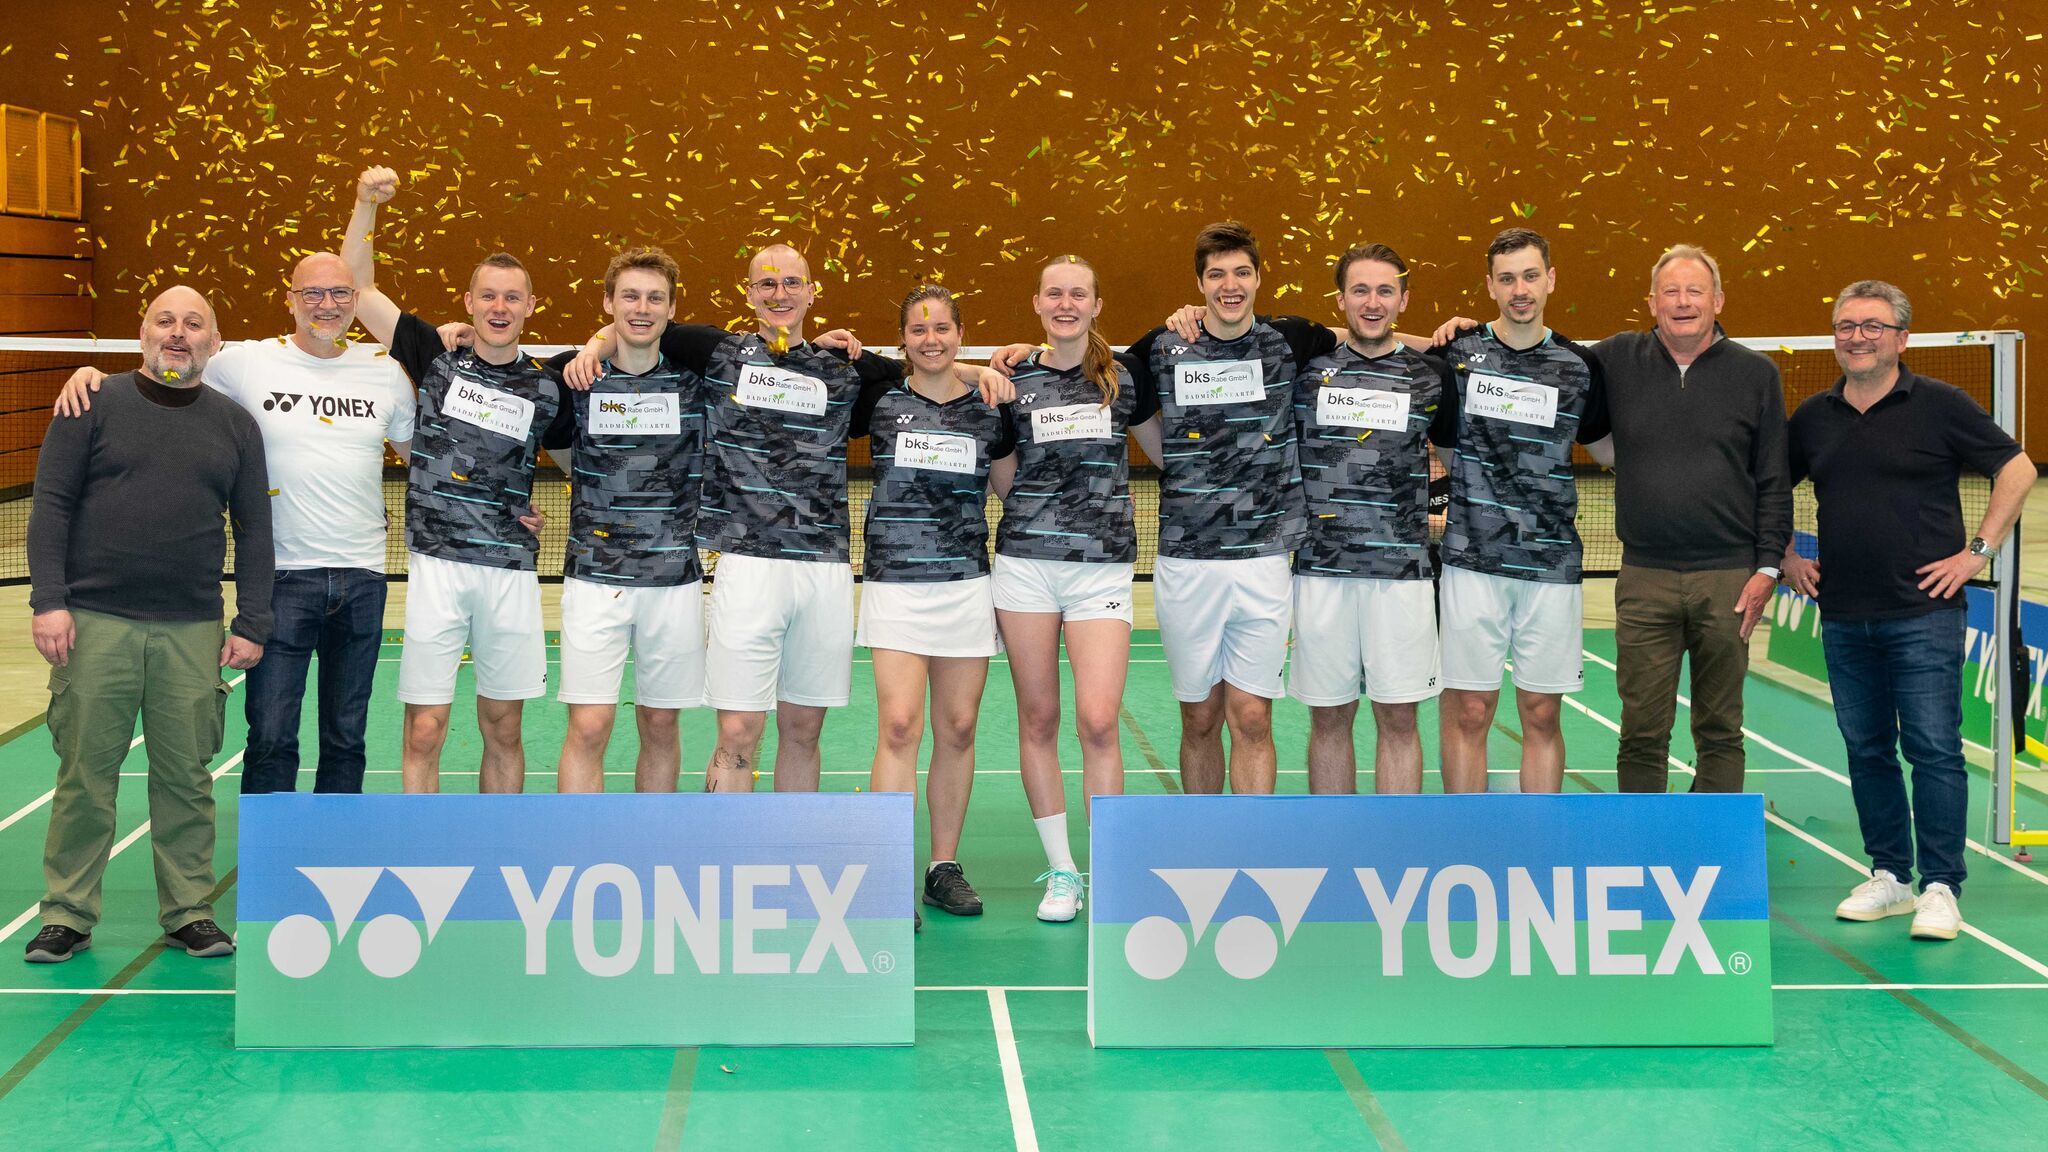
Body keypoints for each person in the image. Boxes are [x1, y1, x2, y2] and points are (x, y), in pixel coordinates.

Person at [564, 245, 1007, 794]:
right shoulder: (716, 352)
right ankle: (731, 842)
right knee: (738, 731)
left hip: (823, 568)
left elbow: (925, 365)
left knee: (803, 730)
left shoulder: (845, 370)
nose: (780, 294)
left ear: (811, 292)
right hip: (747, 566)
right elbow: (636, 327)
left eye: (792, 283)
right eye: (767, 285)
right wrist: (593, 345)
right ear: (749, 293)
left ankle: (788, 842)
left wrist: (977, 370)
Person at [51, 248, 415, 796]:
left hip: (363, 577)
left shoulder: (384, 372)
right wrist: (95, 377)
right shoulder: (244, 362)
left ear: (356, 301)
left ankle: (334, 839)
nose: (327, 304)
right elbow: (168, 376)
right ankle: (269, 840)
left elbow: (427, 464)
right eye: (312, 293)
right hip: (280, 579)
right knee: (271, 735)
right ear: (290, 300)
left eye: (340, 292)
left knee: (347, 735)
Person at [24, 286, 271, 963]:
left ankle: (190, 911)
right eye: (165, 320)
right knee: (85, 777)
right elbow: (51, 506)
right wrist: (49, 601)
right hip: (93, 623)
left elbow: (255, 530)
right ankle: (67, 914)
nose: (178, 332)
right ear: (142, 334)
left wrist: (253, 619)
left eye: (194, 323)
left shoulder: (235, 424)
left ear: (214, 343)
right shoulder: (91, 403)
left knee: (186, 779)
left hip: (192, 628)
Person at [1783, 280, 2034, 942]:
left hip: (1925, 613)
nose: (1857, 338)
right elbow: (1767, 486)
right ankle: (1890, 875)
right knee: (1867, 748)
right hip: (1843, 613)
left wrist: (1976, 553)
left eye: (1872, 326)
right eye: (1846, 326)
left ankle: (1942, 887)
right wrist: (1784, 555)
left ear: (1901, 337)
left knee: (1933, 748)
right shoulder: (1813, 416)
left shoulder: (1941, 405)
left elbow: (2017, 469)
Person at [344, 166, 569, 794]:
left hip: (509, 569)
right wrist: (365, 205)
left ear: (530, 306)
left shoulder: (549, 388)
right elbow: (359, 289)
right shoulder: (436, 356)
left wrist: (550, 514)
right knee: (424, 729)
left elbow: (585, 470)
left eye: (512, 298)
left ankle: (498, 836)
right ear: (468, 302)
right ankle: (423, 838)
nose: (499, 308)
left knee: (503, 727)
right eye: (488, 296)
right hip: (436, 565)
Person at [1128, 222, 1337, 796]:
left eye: (1242, 272)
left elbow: (1366, 334)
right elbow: (1104, 379)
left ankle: (1251, 836)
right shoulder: (1162, 346)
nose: (1230, 285)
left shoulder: (1290, 339)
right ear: (1199, 283)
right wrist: (1012, 356)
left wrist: (1447, 338)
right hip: (1186, 561)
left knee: (1252, 717)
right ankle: (1205, 835)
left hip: (1264, 560)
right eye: (1216, 274)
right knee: (1199, 718)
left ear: (1259, 278)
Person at [986, 256, 1161, 922]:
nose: (1066, 304)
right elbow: (1005, 478)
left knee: (1098, 719)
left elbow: (1163, 452)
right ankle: (1062, 871)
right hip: (1027, 568)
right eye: (1054, 294)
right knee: (1038, 719)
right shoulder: (1012, 381)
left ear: (1096, 304)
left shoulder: (1124, 377)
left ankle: (1109, 868)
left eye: (1078, 294)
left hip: (1102, 569)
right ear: (1037, 303)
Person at [1591, 245, 1791, 794]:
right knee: (1640, 732)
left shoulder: (1756, 374)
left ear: (1717, 300)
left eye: (1695, 291)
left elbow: (1774, 479)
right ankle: (1644, 837)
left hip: (1729, 578)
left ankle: (1712, 839)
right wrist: (1454, 336)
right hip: (1644, 577)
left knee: (1721, 730)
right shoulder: (1615, 358)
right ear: (1651, 302)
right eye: (1671, 292)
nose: (1683, 302)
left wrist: (1768, 568)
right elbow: (1536, 355)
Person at [1423, 228, 1608, 794]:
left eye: (1530, 276)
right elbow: (1436, 434)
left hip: (1550, 563)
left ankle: (1538, 831)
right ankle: (1465, 830)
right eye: (1507, 279)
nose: (1520, 289)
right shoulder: (1457, 354)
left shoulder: (1579, 366)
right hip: (1471, 561)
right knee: (1470, 711)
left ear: (1551, 279)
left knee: (1542, 713)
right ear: (1490, 286)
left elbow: (1610, 452)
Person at [861, 285, 1015, 921]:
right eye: (919, 330)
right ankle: (887, 870)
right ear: (903, 339)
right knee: (900, 726)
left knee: (958, 728)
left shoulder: (990, 409)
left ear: (960, 334)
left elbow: (1010, 490)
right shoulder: (877, 399)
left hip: (964, 583)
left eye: (943, 329)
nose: (931, 340)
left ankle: (941, 868)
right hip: (895, 582)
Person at [1290, 244, 1457, 794]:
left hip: (1402, 574)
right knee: (1329, 719)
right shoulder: (1306, 371)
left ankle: (1394, 840)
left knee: (1400, 719)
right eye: (1359, 290)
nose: (1372, 302)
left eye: (1386, 290)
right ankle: (1334, 836)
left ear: (1403, 300)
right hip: (1321, 571)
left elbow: (1455, 462)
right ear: (1340, 300)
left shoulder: (1431, 376)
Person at [546, 248, 706, 793]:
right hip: (595, 579)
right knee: (589, 726)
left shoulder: (697, 383)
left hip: (674, 580)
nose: (642, 308)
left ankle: (651, 837)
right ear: (608, 303)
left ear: (671, 309)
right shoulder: (575, 379)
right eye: (630, 296)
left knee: (660, 724)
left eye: (655, 298)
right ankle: (579, 838)